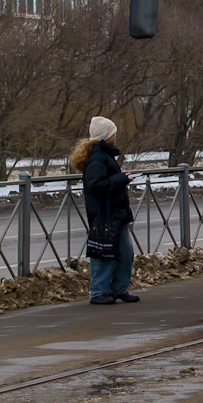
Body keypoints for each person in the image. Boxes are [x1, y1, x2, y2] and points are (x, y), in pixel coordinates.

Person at [71, 117, 138, 305]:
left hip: (115, 212)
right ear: (106, 136)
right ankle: (99, 291)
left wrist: (120, 178)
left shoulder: (104, 155)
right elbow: (96, 185)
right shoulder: (98, 157)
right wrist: (121, 179)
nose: (116, 136)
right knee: (103, 253)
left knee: (125, 253)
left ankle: (119, 288)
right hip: (105, 213)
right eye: (113, 133)